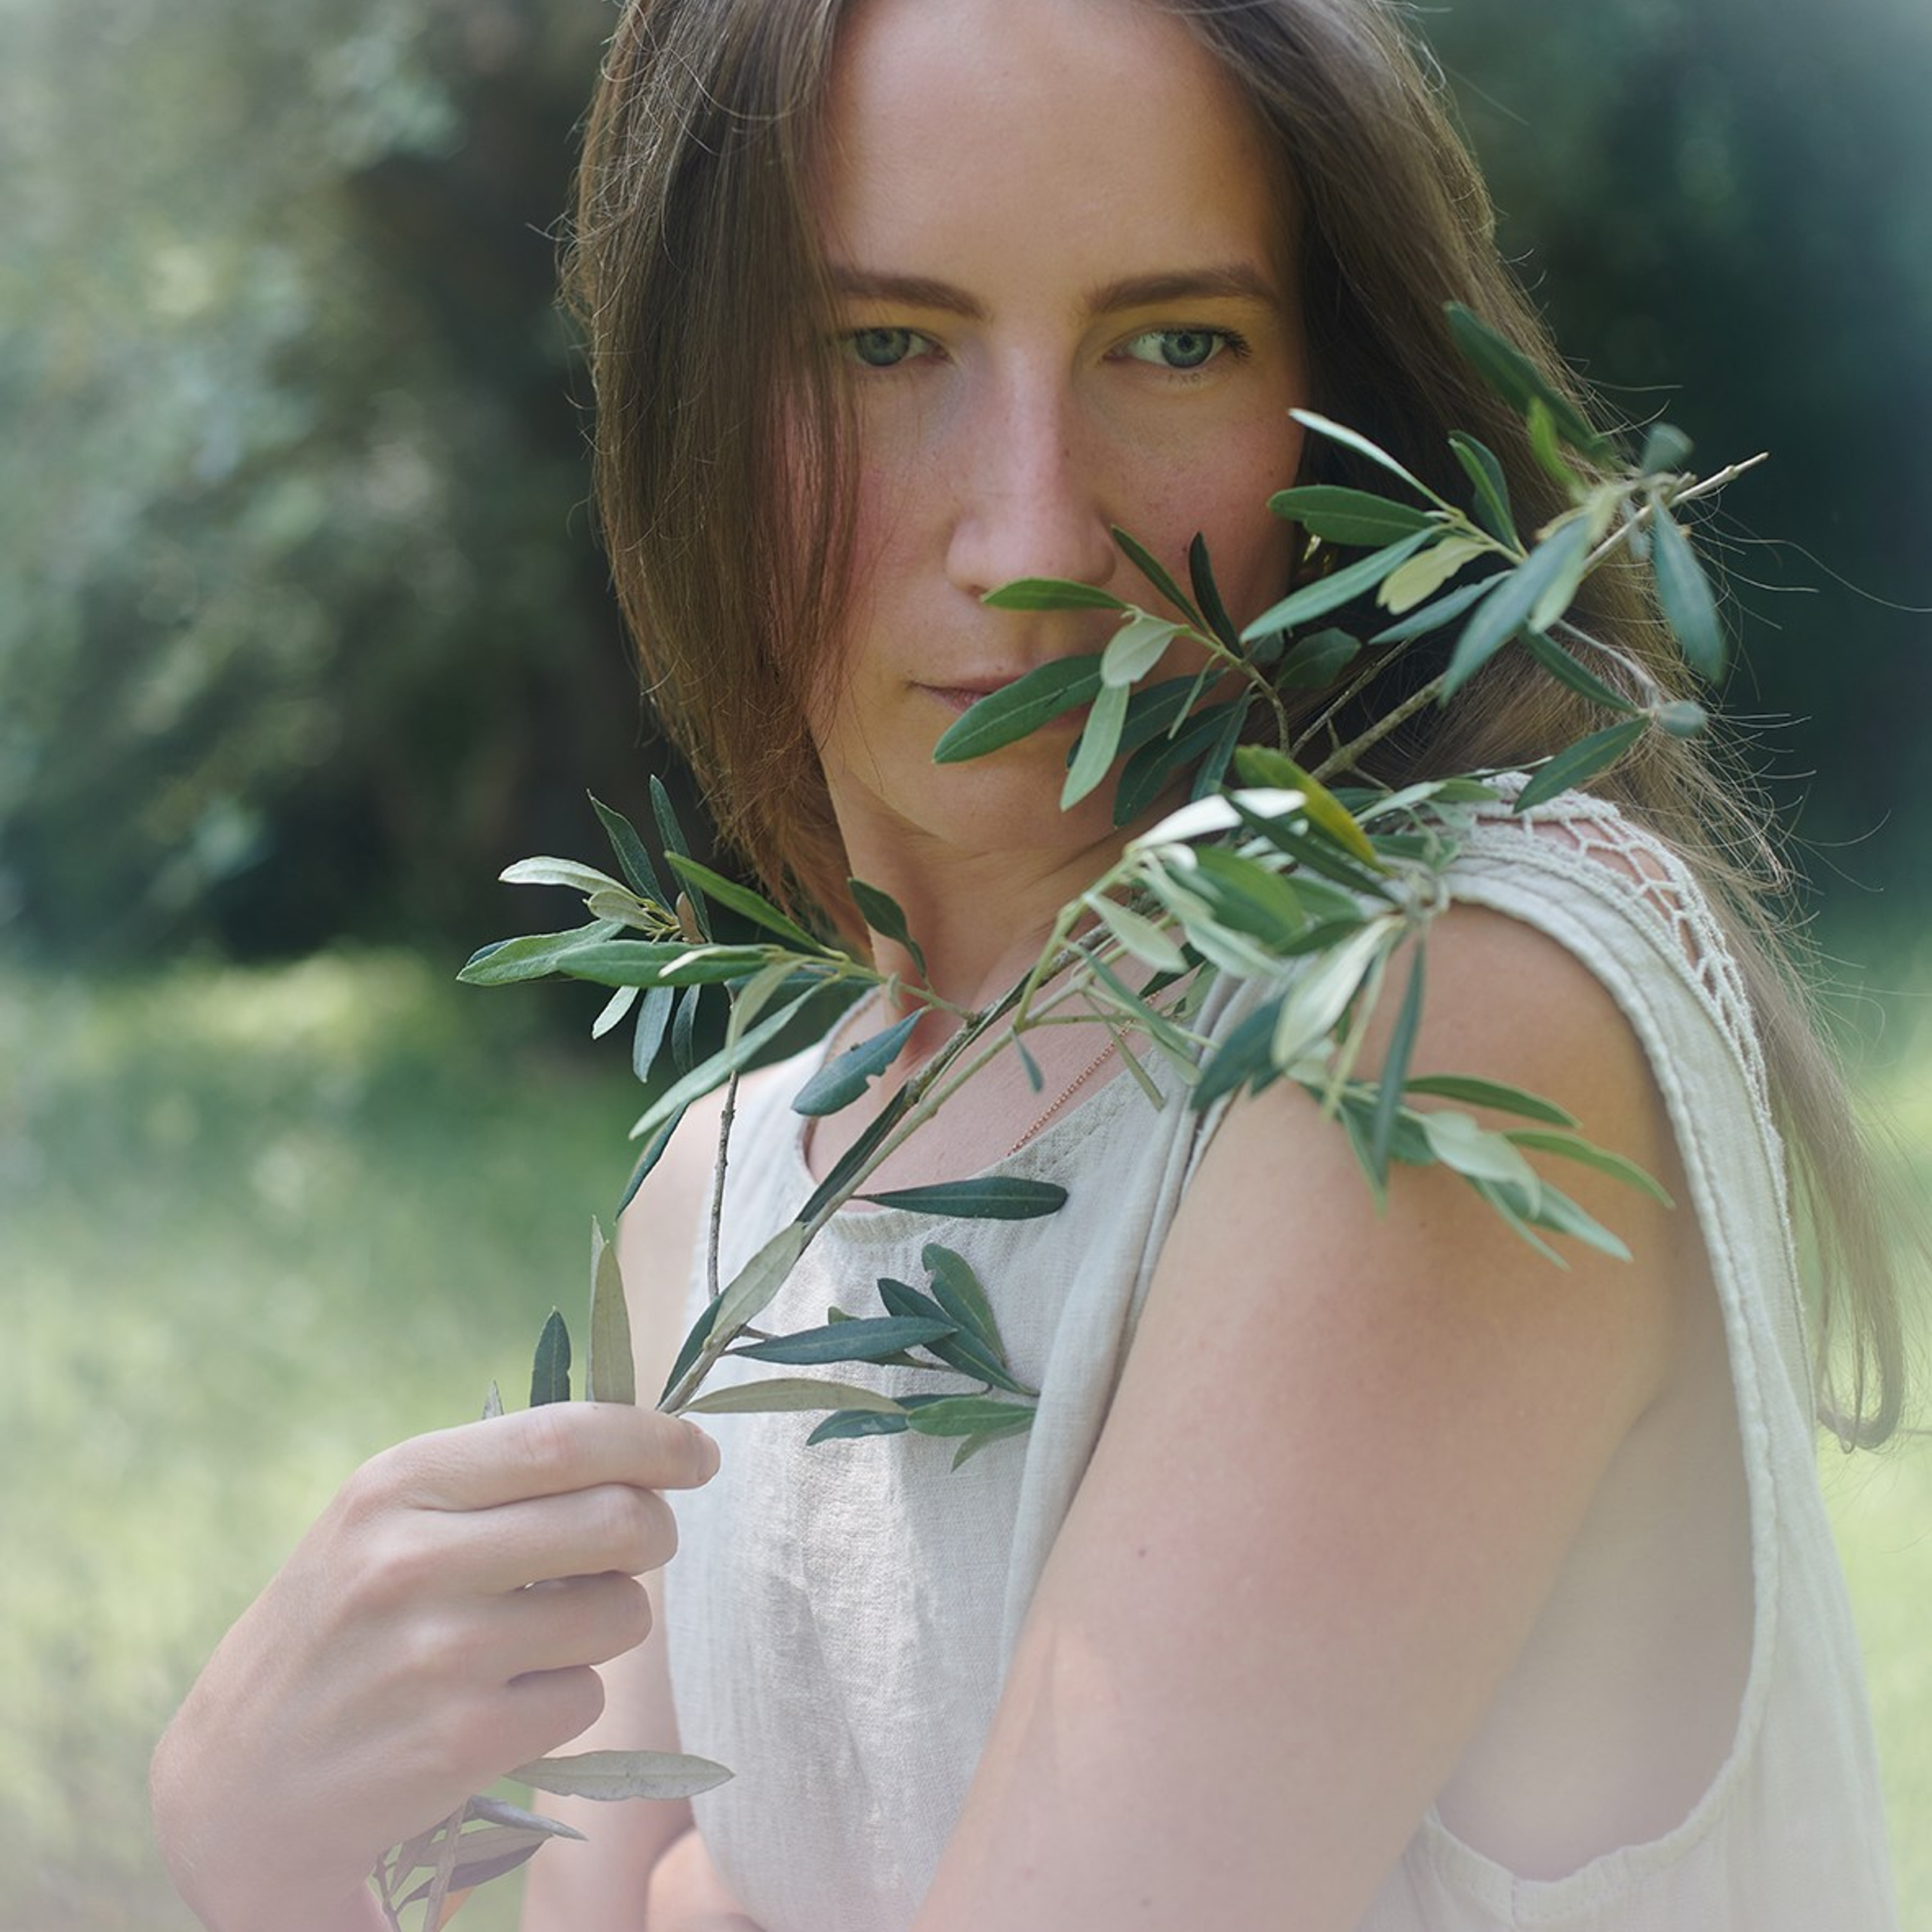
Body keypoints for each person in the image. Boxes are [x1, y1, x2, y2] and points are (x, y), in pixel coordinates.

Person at [152, 0, 1911, 1927]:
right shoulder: (716, 1197)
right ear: (682, 404)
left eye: (1175, 341)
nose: (1032, 535)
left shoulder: (1421, 1018)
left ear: (1336, 392)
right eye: (882, 344)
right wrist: (266, 1850)